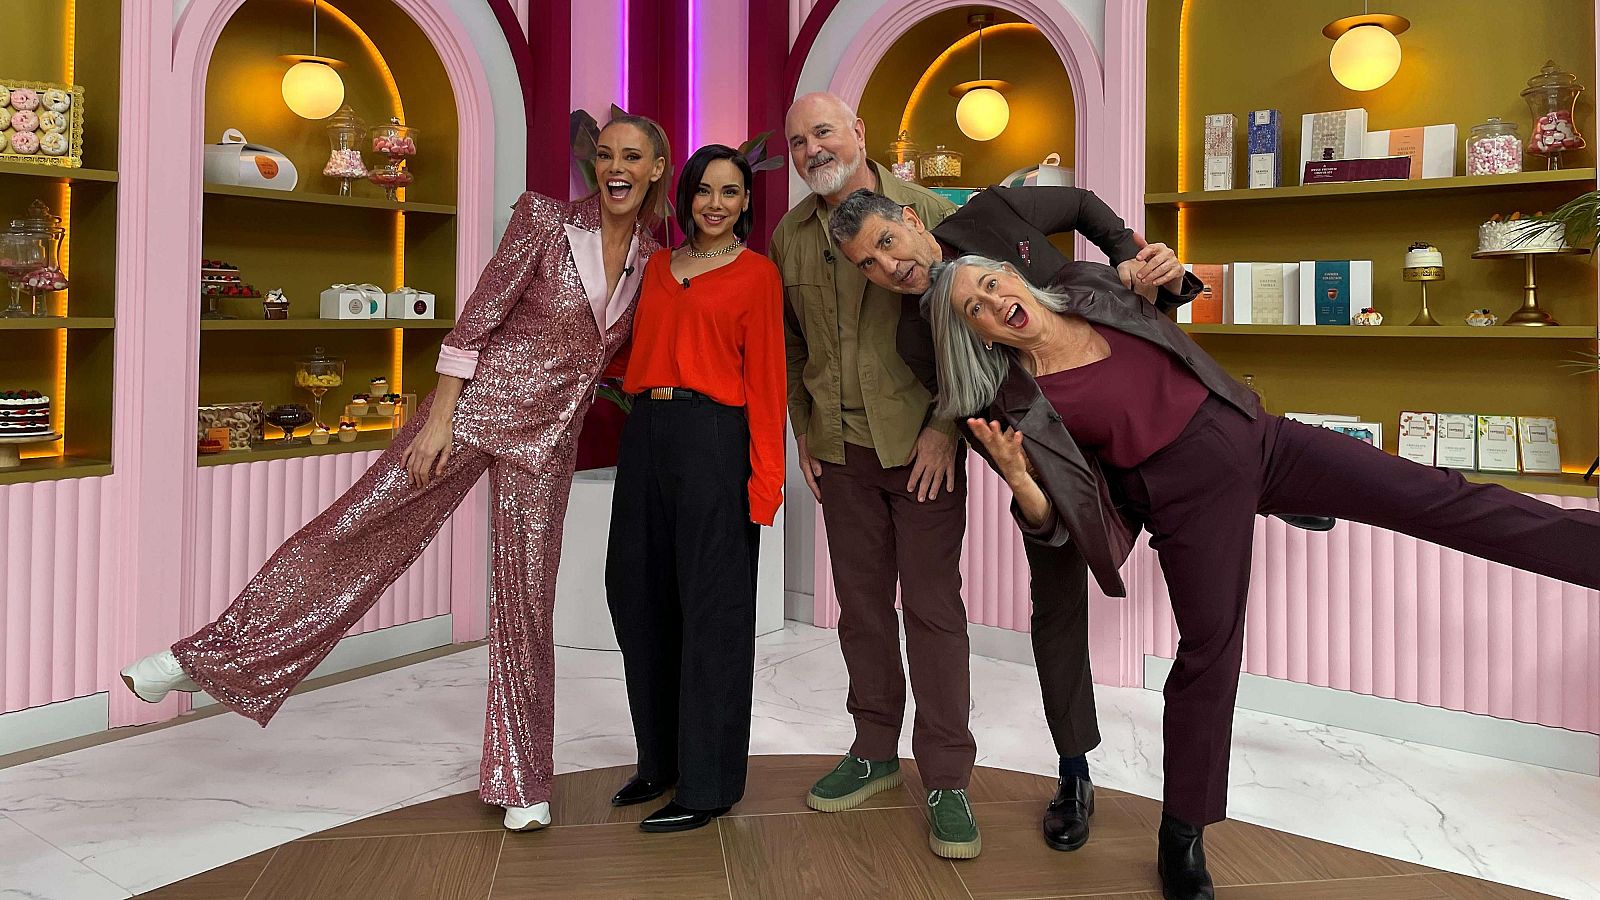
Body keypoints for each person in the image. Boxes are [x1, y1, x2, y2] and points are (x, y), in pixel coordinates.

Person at [923, 254, 1600, 900]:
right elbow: (1056, 517)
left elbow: (1166, 298)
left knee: (1435, 492)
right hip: (1184, 497)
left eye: (989, 282)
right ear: (973, 333)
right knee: (1210, 651)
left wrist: (1164, 273)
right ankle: (1182, 831)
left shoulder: (1085, 285)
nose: (990, 302)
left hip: (1256, 436)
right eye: (972, 308)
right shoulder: (1015, 400)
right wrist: (1016, 475)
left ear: (1013, 274)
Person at [119, 115, 673, 834]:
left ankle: (521, 778)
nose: (615, 167)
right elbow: (475, 322)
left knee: (527, 609)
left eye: (632, 156)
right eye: (605, 155)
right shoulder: (542, 221)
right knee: (359, 527)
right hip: (471, 413)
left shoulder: (653, 260)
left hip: (547, 443)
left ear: (657, 167)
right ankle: (201, 657)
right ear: (592, 164)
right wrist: (440, 418)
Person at [827, 186, 1335, 855]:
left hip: (1141, 414)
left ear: (911, 220)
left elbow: (1084, 208)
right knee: (1057, 609)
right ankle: (1073, 772)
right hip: (1056, 467)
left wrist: (1130, 257)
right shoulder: (914, 335)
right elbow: (985, 420)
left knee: (1216, 451)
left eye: (887, 244)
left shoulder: (992, 215)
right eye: (867, 265)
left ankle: (1262, 487)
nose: (888, 268)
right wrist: (1026, 480)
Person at [771, 91, 978, 859]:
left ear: (858, 131)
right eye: (797, 142)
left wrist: (943, 429)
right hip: (841, 455)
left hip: (925, 453)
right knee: (860, 610)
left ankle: (949, 777)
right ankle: (873, 750)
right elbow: (792, 348)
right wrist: (805, 430)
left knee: (932, 611)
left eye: (822, 132)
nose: (811, 150)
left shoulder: (930, 212)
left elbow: (973, 330)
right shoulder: (790, 237)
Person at [604, 144, 786, 834]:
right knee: (637, 594)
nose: (716, 203)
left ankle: (707, 785)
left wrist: (764, 484)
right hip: (646, 431)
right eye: (705, 190)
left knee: (713, 612)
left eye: (731, 192)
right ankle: (660, 762)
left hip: (717, 441)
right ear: (684, 196)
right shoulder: (653, 267)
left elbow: (767, 381)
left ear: (746, 203)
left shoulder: (756, 276)